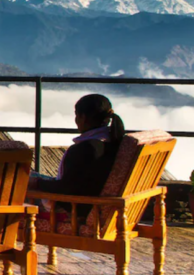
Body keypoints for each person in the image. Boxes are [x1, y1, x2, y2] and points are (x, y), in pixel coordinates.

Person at [31, 94, 125, 223]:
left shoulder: (86, 148)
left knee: (14, 184)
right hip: (98, 203)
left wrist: (37, 183)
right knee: (29, 176)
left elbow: (66, 188)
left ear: (82, 117)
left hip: (74, 208)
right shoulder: (115, 142)